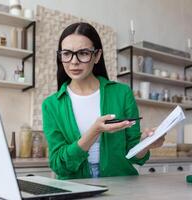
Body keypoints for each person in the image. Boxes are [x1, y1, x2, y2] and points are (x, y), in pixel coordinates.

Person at [42, 22, 165, 180]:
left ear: (97, 56)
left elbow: (134, 155)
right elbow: (59, 165)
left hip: (121, 185)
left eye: (83, 53)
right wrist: (94, 131)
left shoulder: (122, 94)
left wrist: (146, 143)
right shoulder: (51, 105)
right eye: (67, 54)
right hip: (76, 186)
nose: (74, 61)